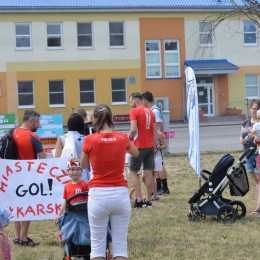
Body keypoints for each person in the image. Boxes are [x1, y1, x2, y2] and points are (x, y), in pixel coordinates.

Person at [80, 104, 139, 260]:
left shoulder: (90, 139)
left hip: (98, 194)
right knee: (120, 246)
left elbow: (83, 165)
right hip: (120, 193)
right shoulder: (122, 138)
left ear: (95, 119)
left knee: (97, 247)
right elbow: (136, 152)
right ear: (111, 118)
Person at [12, 110, 46, 246]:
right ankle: (24, 238)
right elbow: (43, 158)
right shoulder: (32, 136)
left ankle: (16, 236)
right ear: (31, 121)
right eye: (37, 122)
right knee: (27, 207)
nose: (39, 125)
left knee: (17, 206)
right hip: (28, 176)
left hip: (13, 175)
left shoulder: (12, 133)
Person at [129, 92, 157, 208]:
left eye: (131, 102)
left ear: (136, 101)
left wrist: (129, 138)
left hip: (139, 146)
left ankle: (139, 200)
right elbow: (155, 131)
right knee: (148, 173)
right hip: (150, 145)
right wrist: (154, 145)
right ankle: (148, 200)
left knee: (133, 172)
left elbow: (133, 129)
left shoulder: (134, 111)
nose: (130, 105)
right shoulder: (150, 111)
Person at [142, 91, 170, 195]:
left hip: (156, 140)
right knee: (156, 165)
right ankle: (159, 187)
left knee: (160, 164)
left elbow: (159, 126)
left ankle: (165, 187)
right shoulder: (151, 110)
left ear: (145, 99)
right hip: (153, 139)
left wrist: (157, 138)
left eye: (142, 100)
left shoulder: (155, 111)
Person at [54, 113, 91, 182]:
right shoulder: (86, 139)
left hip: (67, 173)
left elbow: (57, 160)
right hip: (82, 172)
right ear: (81, 125)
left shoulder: (62, 139)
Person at [240, 99, 260, 213]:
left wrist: (254, 138)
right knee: (257, 180)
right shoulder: (246, 122)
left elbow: (257, 138)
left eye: (257, 109)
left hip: (257, 154)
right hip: (247, 154)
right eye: (254, 108)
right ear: (250, 109)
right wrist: (243, 140)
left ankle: (258, 208)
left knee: (259, 181)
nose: (255, 111)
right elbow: (241, 137)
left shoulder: (258, 124)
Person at [54, 159, 89, 224]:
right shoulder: (67, 186)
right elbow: (65, 201)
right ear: (68, 171)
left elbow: (89, 202)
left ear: (81, 171)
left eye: (77, 169)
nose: (75, 172)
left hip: (83, 216)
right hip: (71, 216)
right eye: (72, 169)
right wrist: (59, 215)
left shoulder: (85, 185)